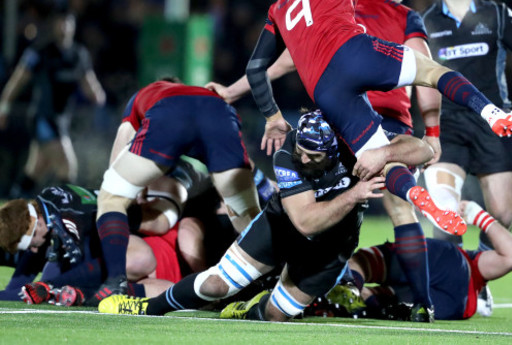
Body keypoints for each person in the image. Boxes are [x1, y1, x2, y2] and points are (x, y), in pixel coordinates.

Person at [243, 0, 512, 245]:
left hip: (324, 89)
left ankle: (416, 196)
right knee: (431, 71)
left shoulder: (279, 4)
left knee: (381, 161)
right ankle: (493, 113)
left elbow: (255, 68)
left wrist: (272, 116)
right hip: (350, 52)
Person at [209, 0, 444, 321]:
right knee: (399, 208)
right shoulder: (404, 15)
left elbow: (280, 64)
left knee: (322, 198)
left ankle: (297, 289)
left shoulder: (336, 8)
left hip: (337, 121)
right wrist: (432, 133)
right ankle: (423, 304)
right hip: (386, 125)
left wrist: (232, 92)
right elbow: (426, 77)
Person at [97, 110, 433, 322]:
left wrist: (384, 153)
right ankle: (146, 307)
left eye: (312, 156)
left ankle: (248, 312)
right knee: (216, 284)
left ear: (333, 153)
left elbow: (425, 149)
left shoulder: (357, 144)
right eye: (300, 148)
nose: (302, 157)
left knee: (275, 315)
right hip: (282, 226)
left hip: (331, 248)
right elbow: (305, 221)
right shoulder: (288, 155)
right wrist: (356, 194)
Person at [420, 0, 512, 312]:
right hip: (446, 126)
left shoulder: (497, 15)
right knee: (443, 215)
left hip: (494, 122)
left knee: (503, 216)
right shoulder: (424, 23)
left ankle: (480, 277)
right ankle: (449, 287)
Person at [89, 78, 261, 305]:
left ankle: (114, 283)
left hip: (169, 112)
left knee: (111, 197)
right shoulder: (203, 95)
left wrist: (128, 189)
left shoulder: (146, 94)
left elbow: (120, 149)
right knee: (247, 217)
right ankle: (274, 283)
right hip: (219, 112)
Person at [326, 200, 512, 320]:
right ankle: (345, 298)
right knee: (384, 302)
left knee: (363, 264)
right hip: (456, 305)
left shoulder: (471, 264)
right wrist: (479, 216)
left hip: (450, 265)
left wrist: (476, 213)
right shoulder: (477, 274)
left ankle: (343, 289)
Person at [0, 180, 185, 305]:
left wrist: (48, 286)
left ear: (38, 222)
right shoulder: (45, 206)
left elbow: (90, 269)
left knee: (155, 232)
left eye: (30, 242)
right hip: (120, 237)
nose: (32, 249)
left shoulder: (67, 221)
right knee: (55, 278)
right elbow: (22, 284)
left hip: (142, 229)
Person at [0, 11, 106, 198]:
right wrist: (4, 107)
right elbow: (17, 81)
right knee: (67, 166)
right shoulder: (40, 52)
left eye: (68, 22)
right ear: (54, 24)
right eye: (60, 22)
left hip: (62, 119)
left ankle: (12, 203)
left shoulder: (78, 54)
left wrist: (98, 95)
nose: (64, 27)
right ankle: (66, 214)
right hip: (43, 117)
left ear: (73, 26)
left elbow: (89, 83)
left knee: (36, 169)